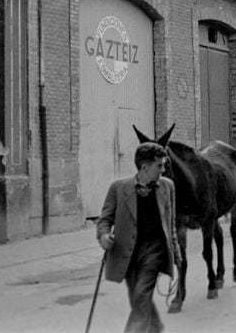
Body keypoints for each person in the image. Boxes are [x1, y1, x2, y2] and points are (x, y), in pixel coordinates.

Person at [97, 138, 181, 333]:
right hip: (127, 252)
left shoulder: (167, 186)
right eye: (159, 166)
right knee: (137, 297)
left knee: (142, 295)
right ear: (144, 167)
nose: (163, 170)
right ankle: (156, 327)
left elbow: (171, 223)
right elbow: (104, 220)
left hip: (155, 250)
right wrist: (103, 236)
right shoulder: (118, 188)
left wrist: (176, 251)